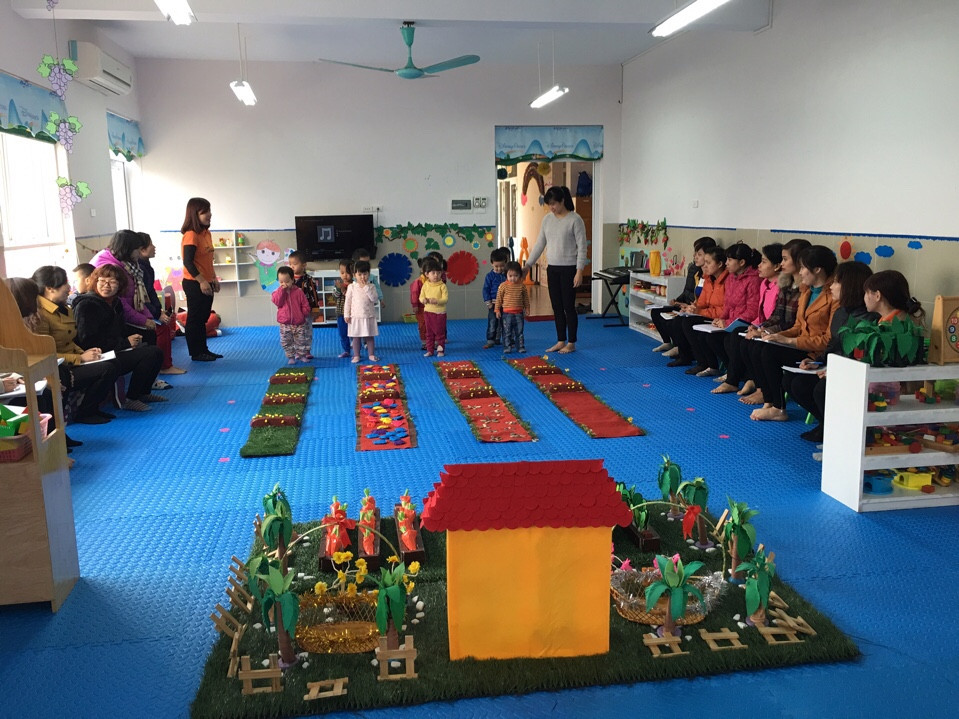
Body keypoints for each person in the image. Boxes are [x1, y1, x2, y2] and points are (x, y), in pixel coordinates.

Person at [783, 261, 875, 442]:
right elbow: (833, 344)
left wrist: (833, 370)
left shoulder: (868, 318)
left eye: (836, 282)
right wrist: (817, 361)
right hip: (833, 366)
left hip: (851, 370)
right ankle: (825, 423)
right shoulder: (841, 312)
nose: (831, 287)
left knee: (820, 389)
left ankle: (835, 429)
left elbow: (858, 355)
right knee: (792, 381)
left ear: (850, 286)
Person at [749, 245, 839, 422]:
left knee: (769, 353)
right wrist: (773, 335)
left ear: (817, 269)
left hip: (815, 352)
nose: (801, 272)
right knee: (762, 345)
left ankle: (778, 407)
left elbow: (828, 340)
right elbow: (798, 327)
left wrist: (788, 341)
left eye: (804, 267)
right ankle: (770, 401)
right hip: (802, 345)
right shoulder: (807, 292)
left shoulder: (832, 297)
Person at [32, 265, 119, 425]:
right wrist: (80, 358)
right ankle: (84, 413)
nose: (69, 288)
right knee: (107, 369)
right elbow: (44, 354)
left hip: (68, 362)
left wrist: (86, 353)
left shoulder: (64, 308)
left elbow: (70, 341)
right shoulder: (40, 315)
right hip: (58, 367)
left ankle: (90, 410)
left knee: (110, 365)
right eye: (65, 284)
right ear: (50, 288)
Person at [73, 264, 165, 412]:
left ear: (120, 285)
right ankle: (131, 399)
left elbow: (119, 330)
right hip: (97, 355)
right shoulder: (87, 305)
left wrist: (132, 339)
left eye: (112, 282)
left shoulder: (115, 303)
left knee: (154, 348)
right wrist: (125, 343)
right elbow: (88, 342)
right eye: (102, 281)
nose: (106, 285)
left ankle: (143, 393)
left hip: (113, 349)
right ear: (95, 282)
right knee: (150, 354)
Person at [735, 238, 811, 404]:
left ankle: (772, 400)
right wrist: (761, 328)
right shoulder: (786, 282)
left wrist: (768, 332)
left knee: (763, 350)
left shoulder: (805, 289)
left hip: (797, 339)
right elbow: (777, 315)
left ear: (799, 261)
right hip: (785, 333)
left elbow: (792, 323)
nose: (782, 264)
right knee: (748, 342)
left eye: (785, 259)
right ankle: (762, 389)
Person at [522, 185, 587, 354]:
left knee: (568, 306)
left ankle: (571, 342)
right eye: (549, 204)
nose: (551, 207)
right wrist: (528, 265)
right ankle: (560, 340)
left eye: (554, 204)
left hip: (569, 269)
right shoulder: (547, 220)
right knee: (556, 306)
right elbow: (540, 244)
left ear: (562, 201)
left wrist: (579, 271)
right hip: (553, 269)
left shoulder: (575, 220)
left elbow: (582, 247)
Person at [711, 243, 783, 394]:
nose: (759, 266)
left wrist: (759, 328)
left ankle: (744, 381)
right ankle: (743, 377)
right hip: (759, 325)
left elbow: (756, 311)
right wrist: (721, 319)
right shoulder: (764, 283)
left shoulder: (762, 282)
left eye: (764, 262)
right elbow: (730, 305)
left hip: (770, 329)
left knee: (739, 339)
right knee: (720, 337)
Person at [691, 242, 761, 375]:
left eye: (729, 260)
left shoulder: (753, 280)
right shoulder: (731, 278)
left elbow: (752, 311)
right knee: (706, 336)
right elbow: (728, 304)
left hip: (743, 323)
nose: (726, 263)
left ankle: (735, 373)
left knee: (729, 339)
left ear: (741, 262)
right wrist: (721, 319)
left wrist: (728, 323)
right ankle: (724, 368)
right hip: (730, 321)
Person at [665, 246, 728, 374]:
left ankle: (705, 363)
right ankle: (686, 356)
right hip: (709, 314)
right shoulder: (708, 279)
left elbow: (723, 310)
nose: (705, 265)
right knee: (679, 321)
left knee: (689, 324)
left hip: (718, 317)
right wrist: (693, 308)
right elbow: (702, 302)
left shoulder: (727, 281)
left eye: (708, 263)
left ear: (720, 264)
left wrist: (699, 312)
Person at [652, 236, 716, 354]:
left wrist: (690, 307)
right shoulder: (694, 270)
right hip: (691, 307)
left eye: (699, 254)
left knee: (679, 322)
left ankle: (681, 349)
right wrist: (677, 301)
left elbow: (706, 301)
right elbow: (687, 291)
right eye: (695, 253)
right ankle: (668, 342)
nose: (695, 257)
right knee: (656, 312)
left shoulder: (712, 276)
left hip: (699, 310)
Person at [91, 230, 158, 341]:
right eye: (137, 250)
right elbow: (119, 302)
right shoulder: (108, 267)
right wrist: (144, 320)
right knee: (148, 337)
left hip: (124, 317)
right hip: (114, 321)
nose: (139, 253)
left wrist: (148, 317)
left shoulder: (126, 264)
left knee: (151, 334)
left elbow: (136, 295)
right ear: (128, 249)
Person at [138, 233, 186, 382]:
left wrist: (158, 310)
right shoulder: (140, 268)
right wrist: (156, 313)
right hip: (142, 310)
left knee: (164, 325)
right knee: (162, 328)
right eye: (150, 244)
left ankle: (164, 365)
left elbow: (150, 292)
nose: (154, 247)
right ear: (142, 249)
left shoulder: (144, 266)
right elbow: (143, 295)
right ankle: (164, 366)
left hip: (148, 308)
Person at [180, 197, 221, 362]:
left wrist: (213, 278)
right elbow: (188, 262)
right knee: (195, 319)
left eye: (209, 211)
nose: (209, 215)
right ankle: (196, 353)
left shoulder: (206, 233)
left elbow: (208, 260)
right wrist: (202, 281)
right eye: (204, 212)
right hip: (194, 283)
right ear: (194, 214)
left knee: (203, 318)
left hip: (206, 281)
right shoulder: (191, 235)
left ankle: (203, 349)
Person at [271, 266, 313, 364]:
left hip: (299, 322)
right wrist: (282, 291)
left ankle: (302, 355)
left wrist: (303, 314)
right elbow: (277, 302)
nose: (284, 284)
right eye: (281, 282)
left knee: (301, 340)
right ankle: (291, 357)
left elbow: (305, 304)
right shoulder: (278, 292)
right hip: (285, 323)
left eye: (287, 281)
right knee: (286, 341)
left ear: (292, 280)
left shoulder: (298, 292)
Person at [344, 259, 380, 363]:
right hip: (355, 317)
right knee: (356, 337)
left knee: (369, 337)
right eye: (359, 274)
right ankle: (356, 355)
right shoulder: (351, 287)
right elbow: (348, 302)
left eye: (365, 274)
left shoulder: (371, 286)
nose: (362, 277)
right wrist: (346, 314)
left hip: (368, 316)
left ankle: (371, 354)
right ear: (354, 275)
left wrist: (366, 288)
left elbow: (374, 299)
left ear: (369, 274)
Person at [287, 251, 319, 360]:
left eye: (295, 264)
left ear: (303, 265)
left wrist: (315, 308)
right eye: (290, 264)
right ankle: (298, 351)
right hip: (293, 312)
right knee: (295, 332)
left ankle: (307, 350)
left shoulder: (309, 279)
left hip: (306, 311)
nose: (292, 266)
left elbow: (314, 294)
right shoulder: (289, 280)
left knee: (307, 331)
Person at [495, 261, 530, 354]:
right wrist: (497, 309)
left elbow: (526, 298)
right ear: (506, 275)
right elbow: (499, 299)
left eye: (516, 276)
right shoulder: (503, 286)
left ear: (520, 275)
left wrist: (527, 308)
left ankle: (520, 346)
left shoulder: (522, 286)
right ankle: (507, 346)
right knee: (507, 331)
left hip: (519, 313)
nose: (513, 278)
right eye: (510, 276)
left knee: (519, 331)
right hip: (507, 314)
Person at [419, 258, 448, 357]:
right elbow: (421, 297)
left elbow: (445, 299)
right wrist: (423, 300)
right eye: (433, 273)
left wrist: (437, 301)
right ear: (427, 274)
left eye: (438, 273)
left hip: (440, 313)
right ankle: (430, 350)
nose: (436, 275)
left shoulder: (442, 286)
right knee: (429, 333)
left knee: (440, 333)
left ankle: (440, 350)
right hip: (428, 312)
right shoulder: (425, 285)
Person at [482, 248, 510, 349]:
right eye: (496, 266)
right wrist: (488, 302)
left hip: (505, 304)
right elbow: (486, 289)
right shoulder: (490, 276)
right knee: (493, 321)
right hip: (493, 304)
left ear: (505, 263)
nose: (499, 268)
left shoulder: (507, 275)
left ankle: (504, 339)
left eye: (502, 266)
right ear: (492, 264)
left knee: (505, 322)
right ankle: (491, 339)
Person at [333, 258, 354, 358]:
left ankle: (356, 350)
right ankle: (346, 350)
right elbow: (335, 296)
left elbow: (353, 297)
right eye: (342, 273)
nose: (345, 275)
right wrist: (338, 288)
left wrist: (344, 289)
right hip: (341, 313)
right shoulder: (338, 284)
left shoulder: (354, 285)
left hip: (353, 314)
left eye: (348, 273)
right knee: (343, 333)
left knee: (355, 333)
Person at [409, 258, 427, 351]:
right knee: (423, 324)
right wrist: (415, 305)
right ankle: (424, 342)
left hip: (432, 307)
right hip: (421, 307)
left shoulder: (434, 281)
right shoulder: (418, 281)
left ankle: (434, 341)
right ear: (422, 269)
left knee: (433, 324)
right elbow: (414, 293)